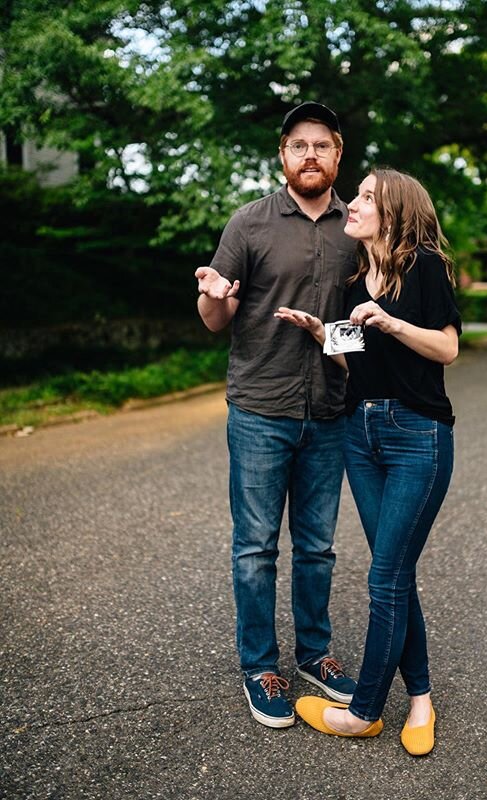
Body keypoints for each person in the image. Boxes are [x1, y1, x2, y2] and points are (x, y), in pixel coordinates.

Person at [274, 168, 460, 754]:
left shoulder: (424, 267)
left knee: (384, 577)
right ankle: (422, 701)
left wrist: (392, 320)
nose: (351, 203)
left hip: (417, 436)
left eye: (365, 197)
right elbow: (358, 365)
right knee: (395, 572)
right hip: (362, 433)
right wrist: (320, 338)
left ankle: (364, 712)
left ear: (395, 211)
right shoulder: (357, 279)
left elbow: (448, 348)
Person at [194, 102, 358, 729]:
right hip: (261, 408)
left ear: (337, 153)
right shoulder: (250, 223)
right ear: (282, 154)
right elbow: (215, 318)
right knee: (256, 546)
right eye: (298, 145)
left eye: (321, 145)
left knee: (317, 546)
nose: (310, 155)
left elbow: (364, 334)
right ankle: (261, 665)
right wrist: (215, 299)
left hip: (332, 410)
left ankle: (316, 655)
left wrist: (329, 337)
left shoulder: (359, 227)